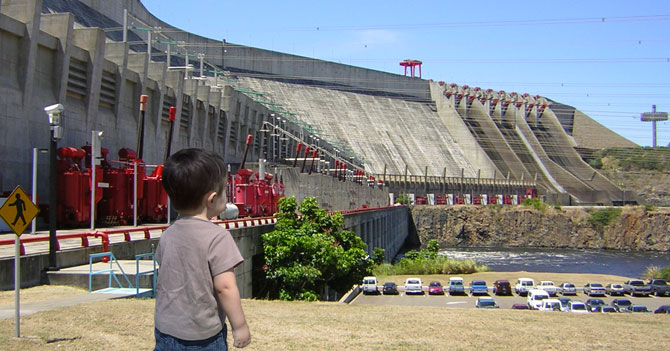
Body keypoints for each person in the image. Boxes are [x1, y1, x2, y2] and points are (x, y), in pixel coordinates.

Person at [154, 148, 251, 350]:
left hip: (166, 331)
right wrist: (239, 326)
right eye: (225, 190)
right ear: (212, 198)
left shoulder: (168, 234)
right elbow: (225, 287)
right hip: (203, 337)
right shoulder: (218, 237)